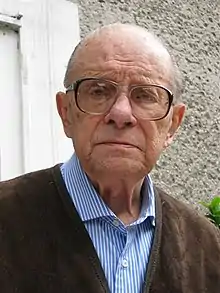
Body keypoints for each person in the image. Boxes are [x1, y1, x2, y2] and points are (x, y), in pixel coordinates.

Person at [0, 23, 219, 293]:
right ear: (66, 113)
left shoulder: (209, 250)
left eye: (145, 95)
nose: (121, 113)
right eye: (99, 91)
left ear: (173, 124)